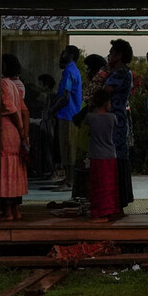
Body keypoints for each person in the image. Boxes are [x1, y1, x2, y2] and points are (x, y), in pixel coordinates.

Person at [71, 54, 110, 199]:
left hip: (89, 135)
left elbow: (90, 106)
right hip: (85, 133)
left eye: (88, 69)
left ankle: (84, 198)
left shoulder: (98, 89)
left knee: (85, 166)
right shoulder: (92, 87)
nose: (86, 72)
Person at [104, 39, 134, 212]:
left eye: (112, 52)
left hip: (116, 121)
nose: (109, 56)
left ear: (120, 55)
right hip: (117, 119)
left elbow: (104, 92)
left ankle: (116, 201)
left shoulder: (120, 73)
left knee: (115, 159)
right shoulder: (122, 72)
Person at [0, 54, 29, 221]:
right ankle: (17, 211)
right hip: (17, 133)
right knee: (16, 170)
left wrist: (18, 128)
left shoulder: (3, 84)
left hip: (7, 129)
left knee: (6, 169)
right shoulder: (14, 85)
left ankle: (8, 212)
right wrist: (24, 133)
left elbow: (10, 110)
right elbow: (24, 111)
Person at [83, 88, 120, 222]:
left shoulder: (90, 117)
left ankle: (100, 212)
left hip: (96, 155)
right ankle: (109, 210)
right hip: (110, 154)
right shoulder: (112, 118)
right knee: (109, 185)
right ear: (106, 103)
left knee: (97, 185)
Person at [52, 45, 83, 189]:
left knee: (68, 146)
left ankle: (70, 180)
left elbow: (65, 96)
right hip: (69, 113)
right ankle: (67, 178)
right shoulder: (72, 70)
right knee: (66, 147)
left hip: (68, 114)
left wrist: (53, 109)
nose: (61, 55)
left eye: (64, 52)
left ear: (70, 55)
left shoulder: (69, 71)